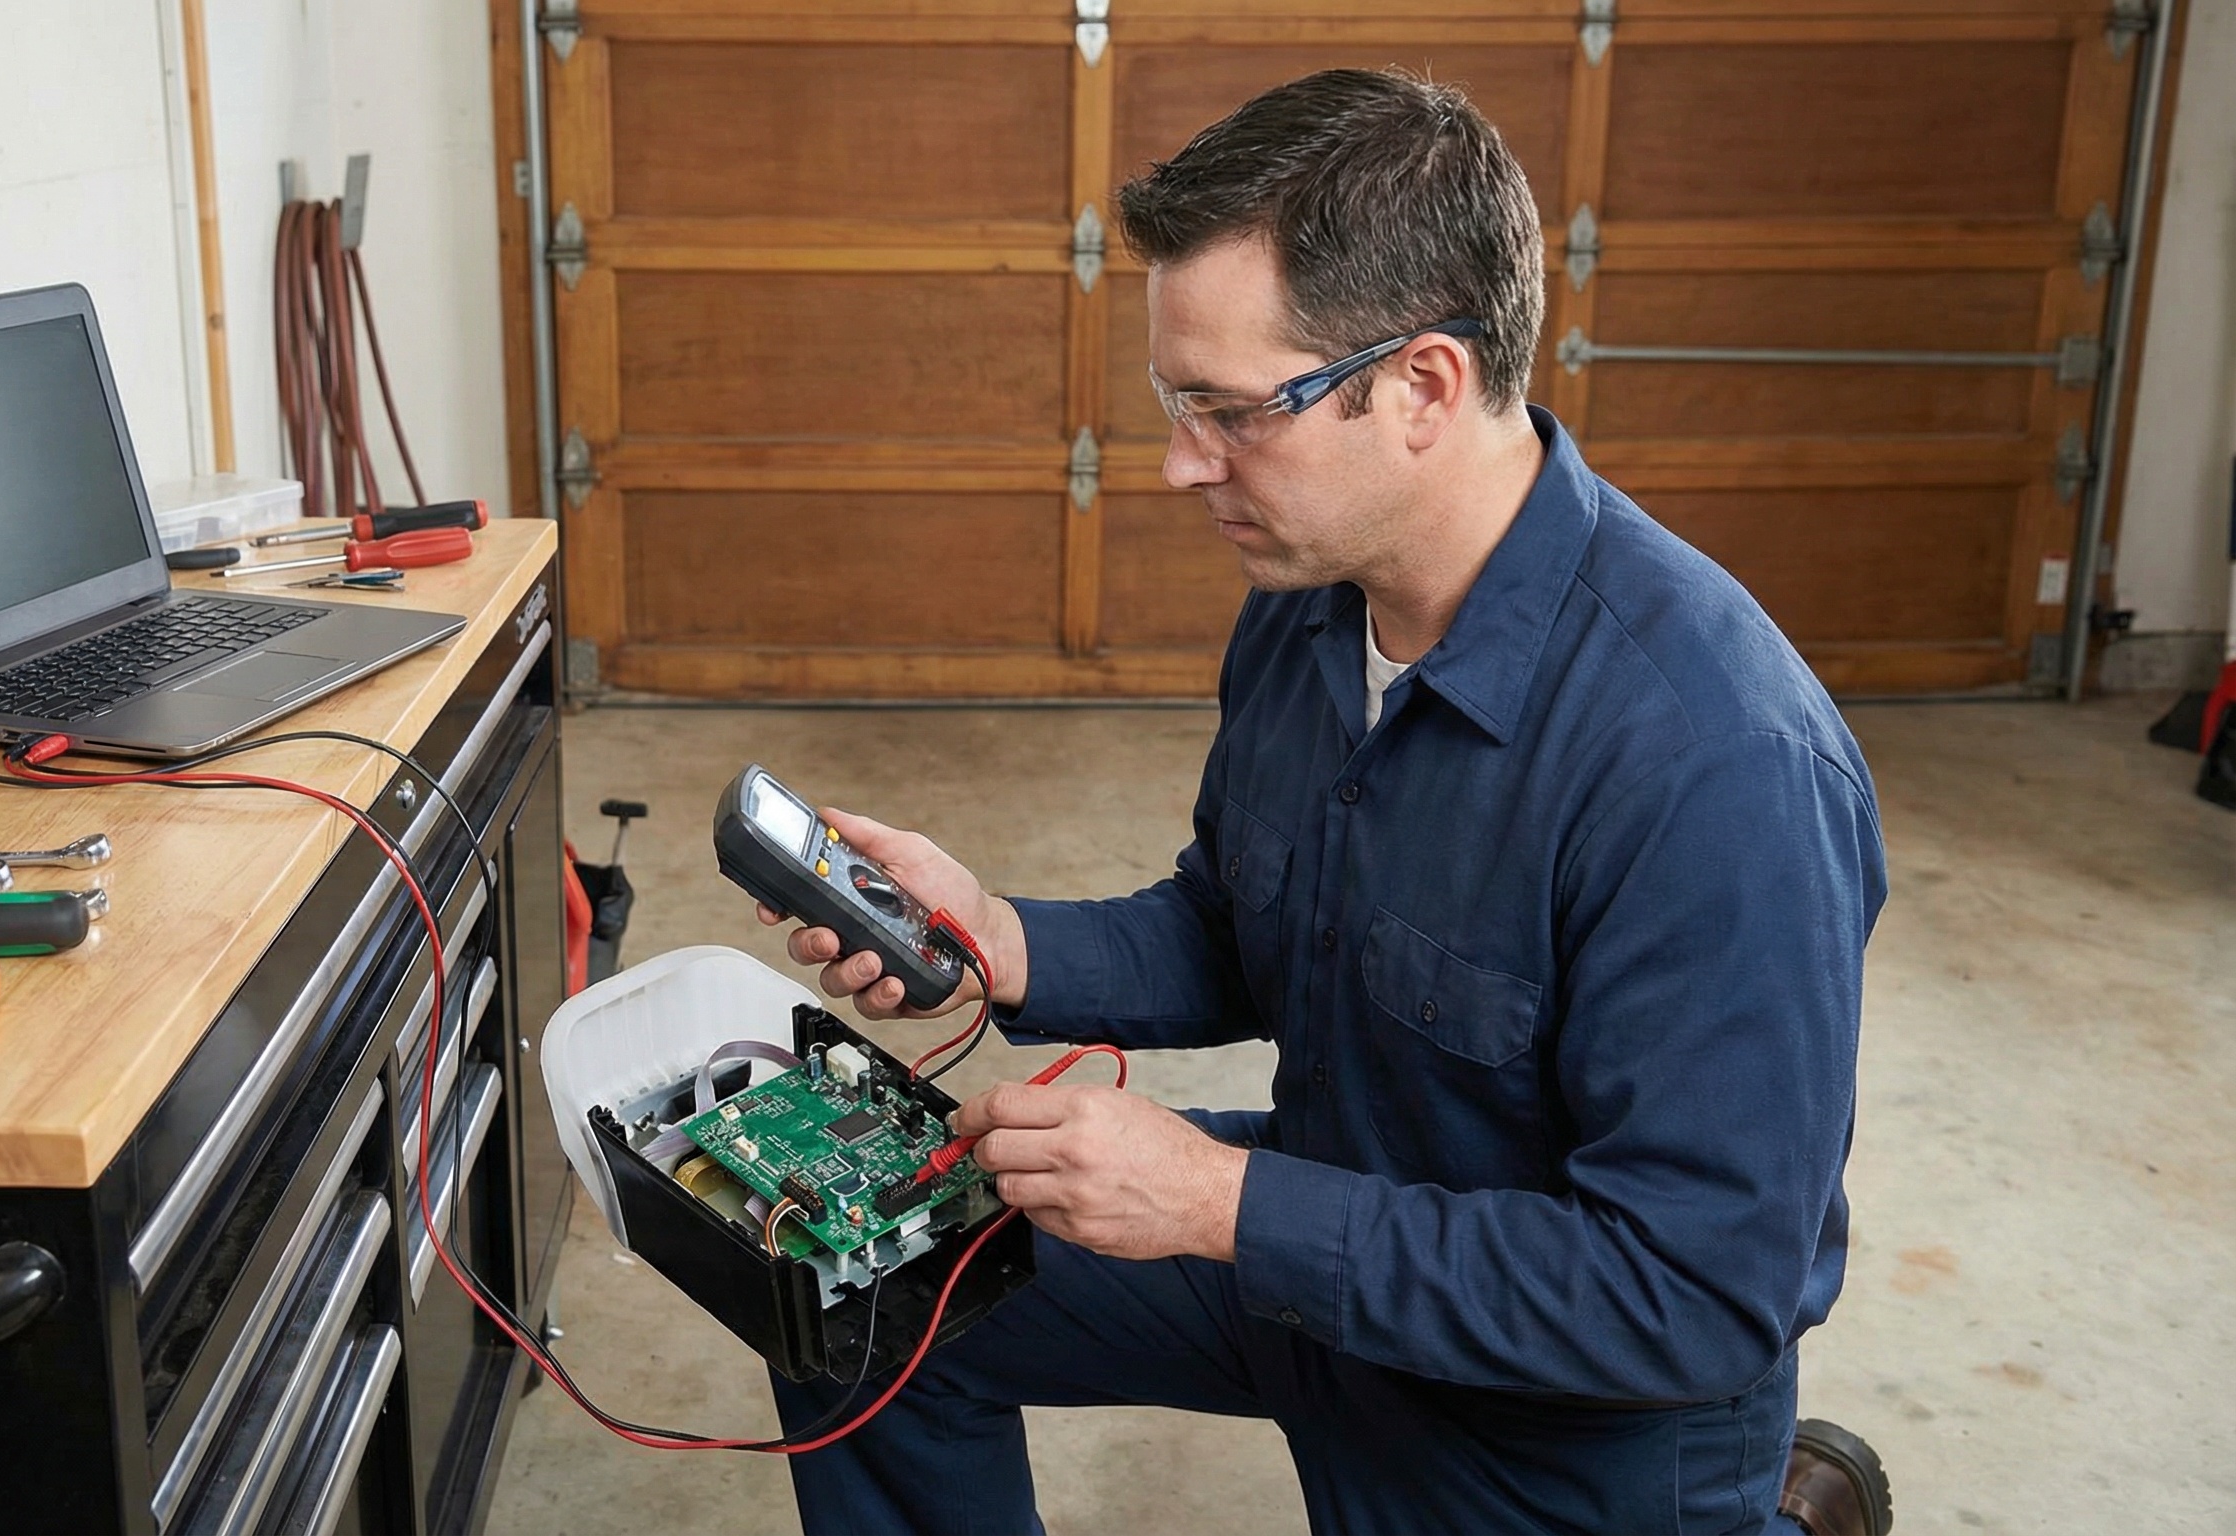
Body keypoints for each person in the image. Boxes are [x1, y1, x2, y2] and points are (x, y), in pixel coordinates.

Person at [757, 68, 1897, 1536]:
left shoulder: (1717, 764)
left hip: (1559, 1426)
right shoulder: (1313, 611)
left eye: (1232, 413)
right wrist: (1000, 939)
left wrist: (1222, 1205)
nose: (1178, 466)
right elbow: (1244, 926)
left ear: (1421, 386)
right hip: (1334, 1227)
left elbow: (1690, 1295)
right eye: (1175, 406)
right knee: (856, 1280)